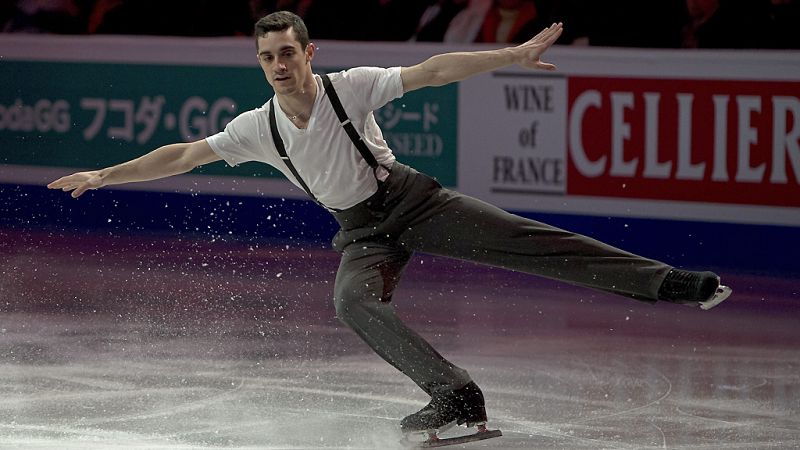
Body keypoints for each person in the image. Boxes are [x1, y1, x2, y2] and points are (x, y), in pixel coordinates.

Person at [48, 11, 732, 439]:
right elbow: (185, 154)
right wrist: (107, 175)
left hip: (412, 201)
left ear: (309, 53)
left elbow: (433, 69)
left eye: (288, 52)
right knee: (350, 302)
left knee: (527, 241)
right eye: (267, 57)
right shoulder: (257, 128)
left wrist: (509, 56)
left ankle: (669, 284)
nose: (279, 65)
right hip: (360, 232)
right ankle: (456, 395)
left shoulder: (352, 86)